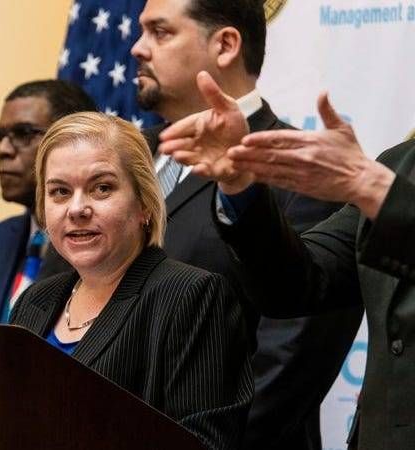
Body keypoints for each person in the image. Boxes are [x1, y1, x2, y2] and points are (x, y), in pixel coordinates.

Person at [130, 0, 363, 447]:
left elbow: (290, 359)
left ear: (225, 45)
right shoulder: (121, 162)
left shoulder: (301, 167)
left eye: (160, 32)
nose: (137, 48)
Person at [159, 74, 415, 449]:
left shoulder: (380, 180)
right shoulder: (400, 162)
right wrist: (241, 187)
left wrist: (376, 191)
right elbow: (300, 282)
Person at [9, 112, 252, 449]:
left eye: (101, 188)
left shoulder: (190, 296)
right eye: (60, 192)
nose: (77, 209)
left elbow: (203, 443)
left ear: (144, 205)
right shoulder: (34, 301)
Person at [0, 80, 97, 322]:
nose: (3, 150)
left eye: (24, 133)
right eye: (0, 136)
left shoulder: (103, 248)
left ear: (75, 140)